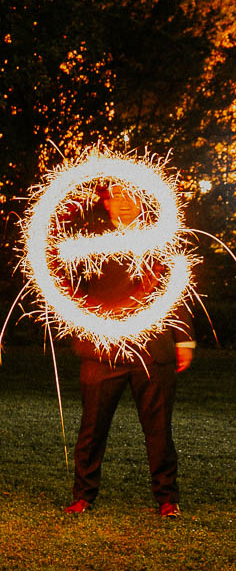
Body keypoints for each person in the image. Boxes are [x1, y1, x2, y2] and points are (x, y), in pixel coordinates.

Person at [64, 183, 194, 517]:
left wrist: (184, 339)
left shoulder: (161, 240)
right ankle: (83, 496)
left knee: (159, 428)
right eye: (115, 198)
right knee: (92, 427)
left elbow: (178, 290)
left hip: (152, 350)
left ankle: (167, 498)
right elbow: (71, 288)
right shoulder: (88, 244)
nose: (122, 204)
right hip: (102, 351)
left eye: (129, 197)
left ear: (141, 201)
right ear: (105, 205)